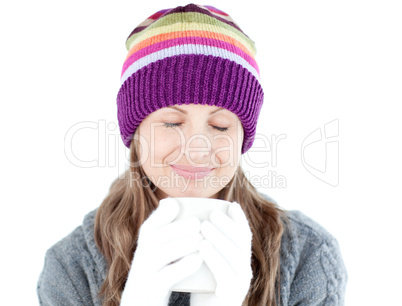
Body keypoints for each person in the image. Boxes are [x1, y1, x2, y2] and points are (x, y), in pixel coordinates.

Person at [37, 3, 348, 306]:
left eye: (220, 125)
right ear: (136, 134)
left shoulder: (309, 256)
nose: (197, 149)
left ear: (242, 137)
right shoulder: (71, 268)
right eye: (172, 122)